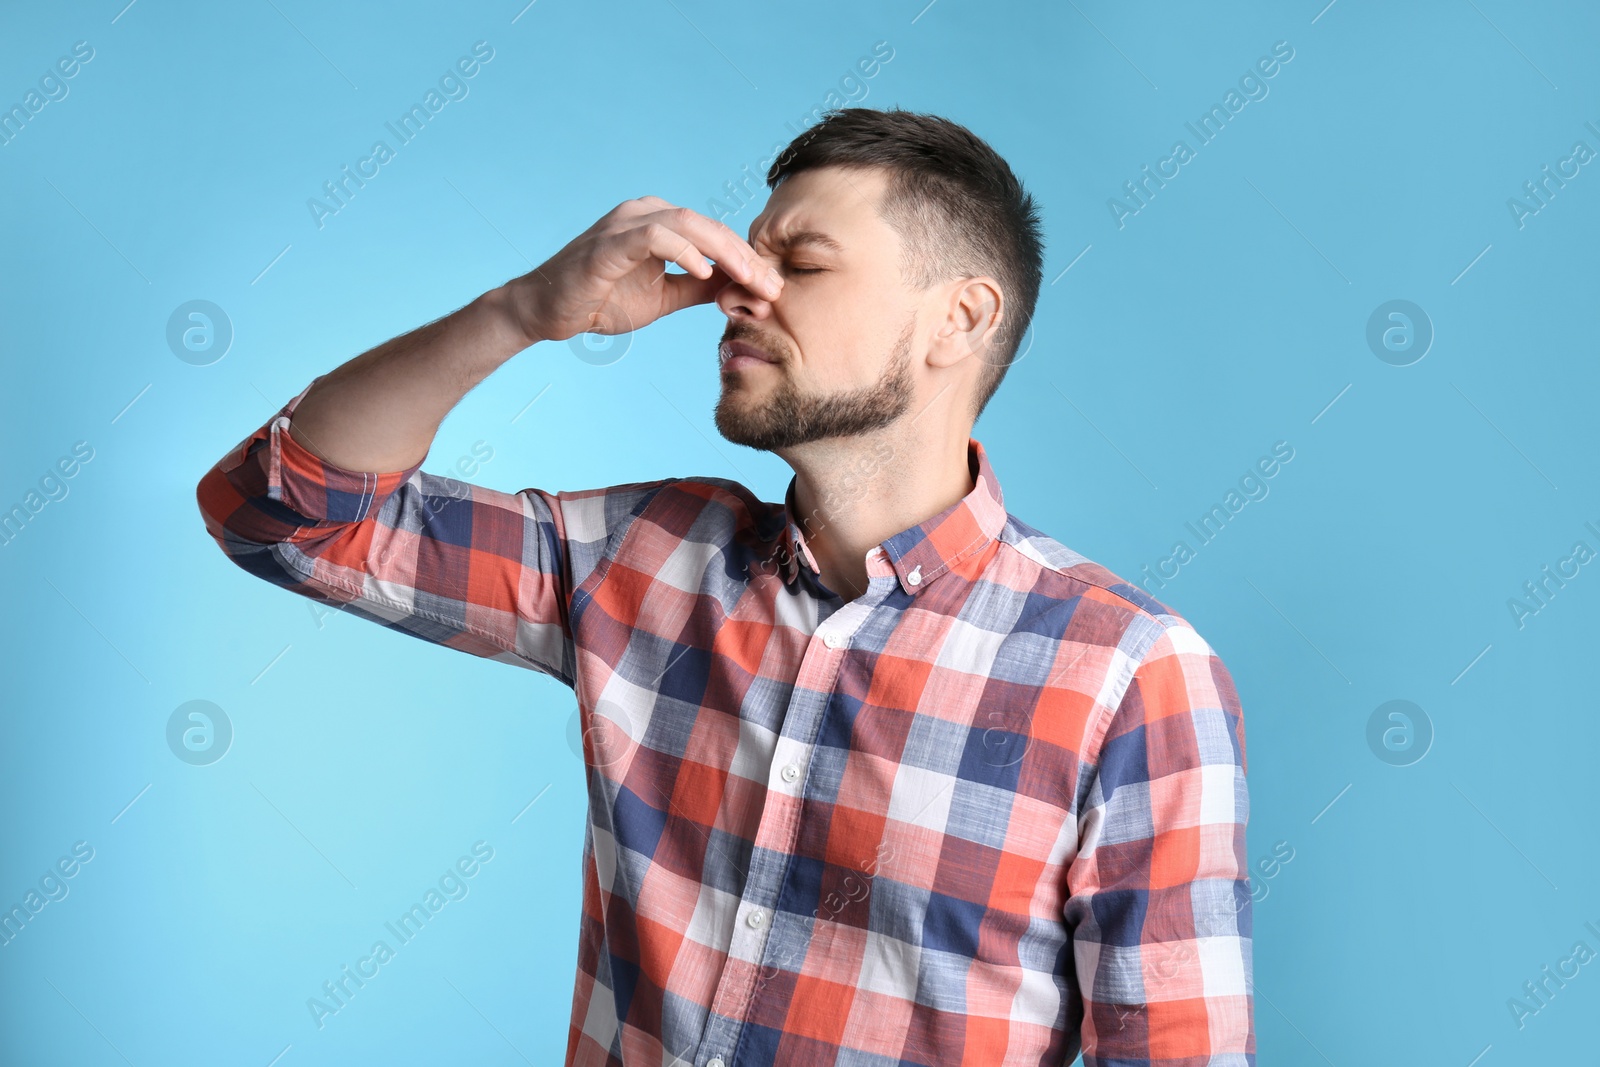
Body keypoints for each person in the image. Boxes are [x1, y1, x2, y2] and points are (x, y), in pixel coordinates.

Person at [196, 106, 1253, 1066]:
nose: (742, 292)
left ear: (959, 319)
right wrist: (520, 311)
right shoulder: (645, 555)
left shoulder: (1129, 673)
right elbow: (281, 514)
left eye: (803, 263)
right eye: (752, 256)